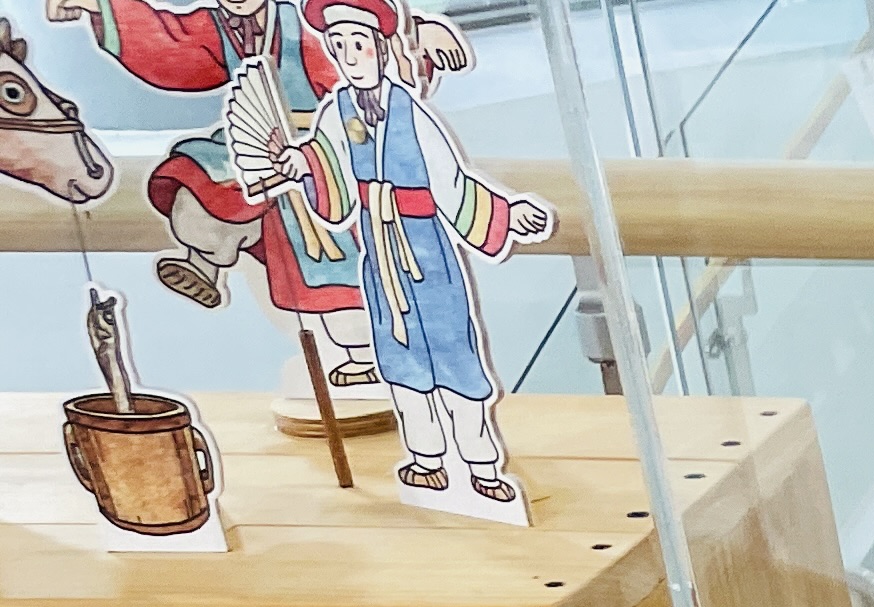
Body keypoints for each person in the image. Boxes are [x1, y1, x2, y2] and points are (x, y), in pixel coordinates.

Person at [43, 0, 451, 373]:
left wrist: (417, 38)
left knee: (342, 269)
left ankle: (367, 356)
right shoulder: (220, 27)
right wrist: (101, 7)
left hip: (327, 153)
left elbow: (369, 59)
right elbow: (172, 48)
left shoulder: (307, 25)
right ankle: (206, 260)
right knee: (201, 180)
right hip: (254, 148)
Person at [259, 0, 545, 504]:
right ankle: (427, 458)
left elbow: (452, 183)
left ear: (381, 47)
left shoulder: (413, 113)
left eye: (359, 44)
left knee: (454, 349)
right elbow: (327, 163)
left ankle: (481, 464)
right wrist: (300, 164)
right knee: (400, 355)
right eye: (339, 46)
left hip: (428, 251)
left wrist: (506, 214)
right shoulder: (337, 112)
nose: (351, 56)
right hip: (377, 248)